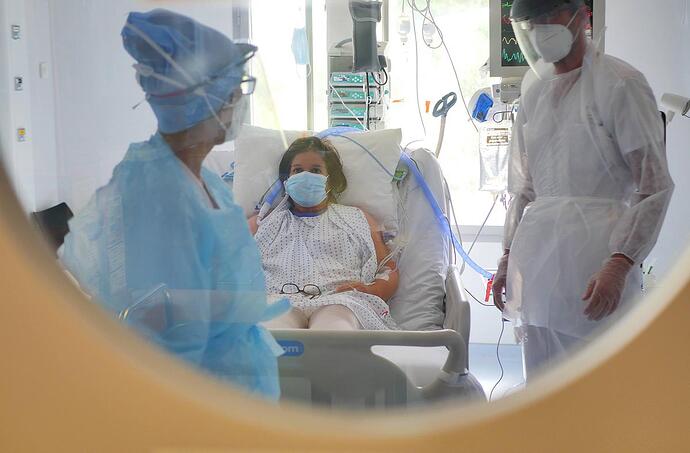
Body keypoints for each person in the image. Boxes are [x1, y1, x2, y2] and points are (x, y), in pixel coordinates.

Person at [60, 9, 289, 400]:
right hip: (200, 395)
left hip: (233, 378)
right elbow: (164, 327)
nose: (240, 101)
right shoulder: (160, 192)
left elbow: (189, 293)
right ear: (206, 100)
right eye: (235, 89)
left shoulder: (204, 179)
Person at [492, 0, 674, 380]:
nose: (541, 27)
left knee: (599, 384)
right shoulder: (534, 90)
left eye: (550, 15)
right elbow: (523, 186)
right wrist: (508, 255)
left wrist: (620, 262)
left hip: (595, 263)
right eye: (532, 22)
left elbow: (653, 185)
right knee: (541, 381)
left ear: (582, 14)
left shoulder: (620, 84)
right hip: (537, 265)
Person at [250, 136, 399, 331]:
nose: (306, 176)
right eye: (297, 170)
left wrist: (373, 289)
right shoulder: (264, 223)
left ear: (330, 180)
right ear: (286, 180)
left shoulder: (357, 219)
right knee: (273, 332)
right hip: (278, 300)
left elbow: (388, 268)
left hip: (341, 300)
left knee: (335, 331)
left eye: (315, 170)